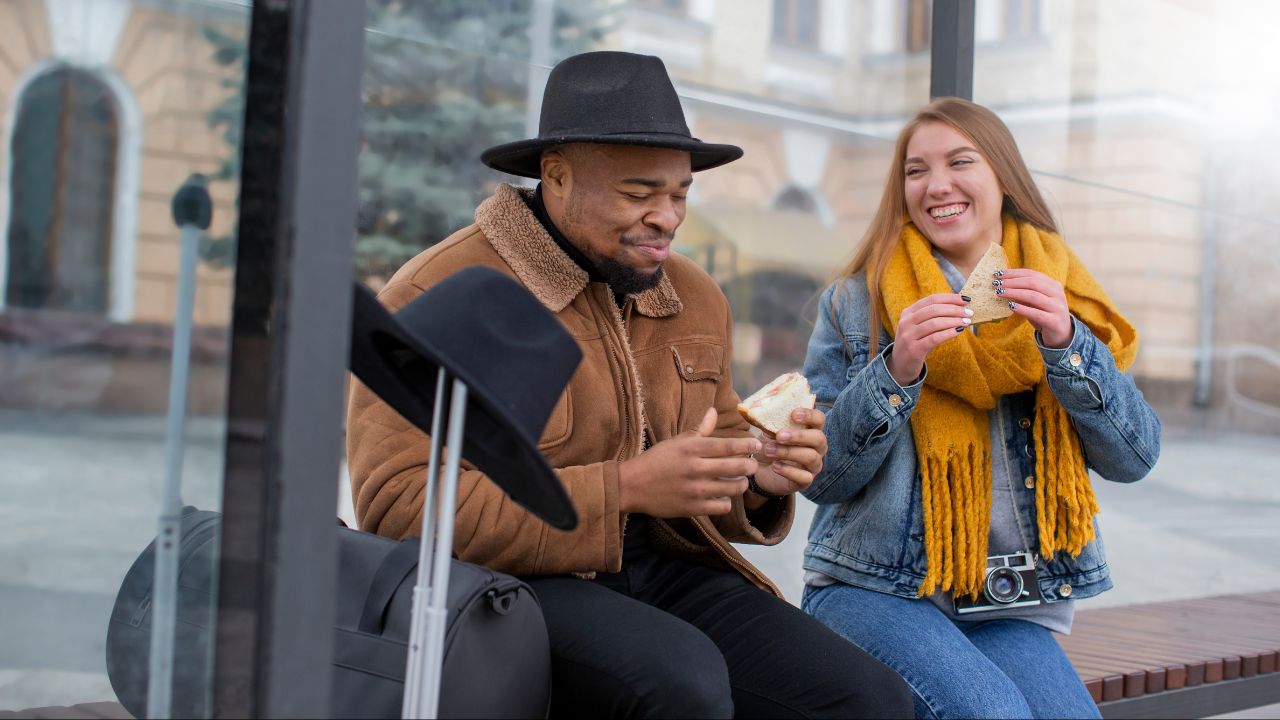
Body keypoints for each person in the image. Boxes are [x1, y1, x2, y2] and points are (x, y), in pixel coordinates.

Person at [346, 51, 912, 719]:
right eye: (639, 194)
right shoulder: (441, 289)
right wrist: (626, 488)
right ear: (555, 176)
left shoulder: (695, 295)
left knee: (871, 699)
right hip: (511, 586)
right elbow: (397, 506)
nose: (667, 218)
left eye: (679, 195)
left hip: (669, 571)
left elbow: (715, 451)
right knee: (681, 680)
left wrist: (759, 476)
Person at [799, 97, 1162, 719]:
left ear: (1004, 179)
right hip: (871, 587)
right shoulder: (857, 302)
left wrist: (1068, 346)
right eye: (916, 171)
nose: (937, 185)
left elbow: (1135, 459)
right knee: (990, 710)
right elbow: (823, 478)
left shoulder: (1064, 291)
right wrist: (896, 369)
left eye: (959, 162)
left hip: (1001, 601)